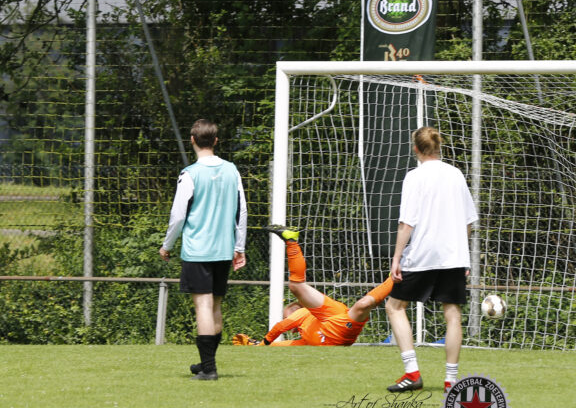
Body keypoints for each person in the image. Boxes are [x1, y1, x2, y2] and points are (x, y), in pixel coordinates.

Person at [385, 126, 478, 393]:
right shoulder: (456, 174)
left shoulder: (414, 177)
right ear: (439, 147)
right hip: (453, 256)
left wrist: (396, 258)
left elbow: (406, 223)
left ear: (415, 148)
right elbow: (469, 221)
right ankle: (451, 381)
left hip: (423, 254)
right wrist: (462, 255)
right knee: (452, 313)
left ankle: (412, 373)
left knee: (395, 306)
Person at [159, 119, 247, 381]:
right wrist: (239, 247)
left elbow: (178, 216)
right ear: (216, 141)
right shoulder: (232, 170)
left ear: (192, 140)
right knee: (215, 306)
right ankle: (207, 362)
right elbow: (241, 211)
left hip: (198, 250)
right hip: (223, 249)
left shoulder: (190, 174)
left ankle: (208, 369)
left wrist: (167, 245)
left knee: (203, 307)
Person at [233, 225, 393, 347]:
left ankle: (395, 277)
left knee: (363, 304)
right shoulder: (306, 338)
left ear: (295, 312)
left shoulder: (303, 314)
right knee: (296, 286)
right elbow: (281, 346)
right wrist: (254, 345)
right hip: (336, 331)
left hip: (340, 326)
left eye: (286, 316)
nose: (287, 322)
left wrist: (262, 344)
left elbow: (281, 327)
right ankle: (291, 240)